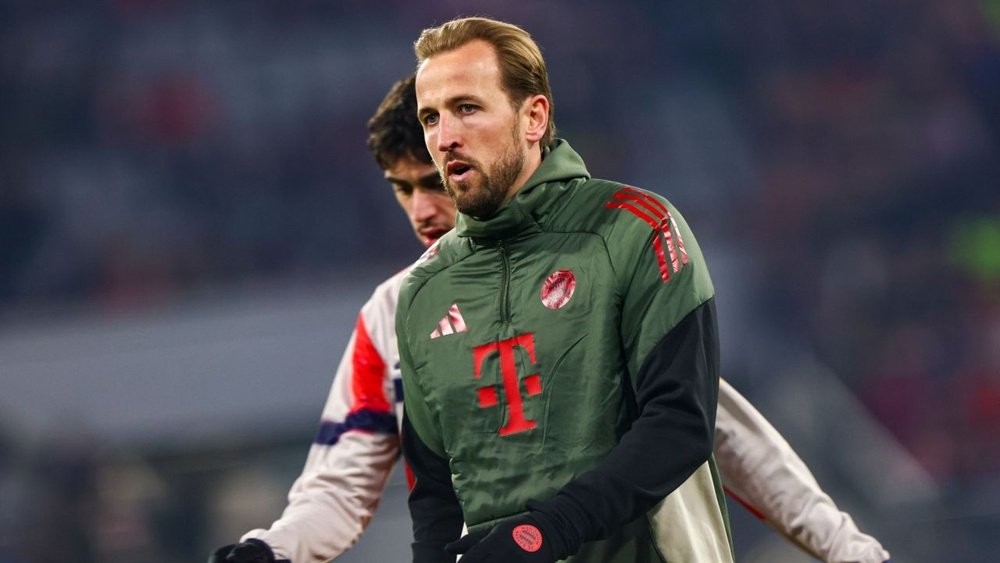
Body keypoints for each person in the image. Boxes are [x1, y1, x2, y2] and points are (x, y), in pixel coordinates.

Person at [209, 72, 890, 562]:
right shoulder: (394, 313)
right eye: (403, 189)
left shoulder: (592, 261)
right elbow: (341, 480)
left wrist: (846, 548)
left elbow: (711, 424)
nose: (422, 209)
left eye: (434, 180)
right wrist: (274, 547)